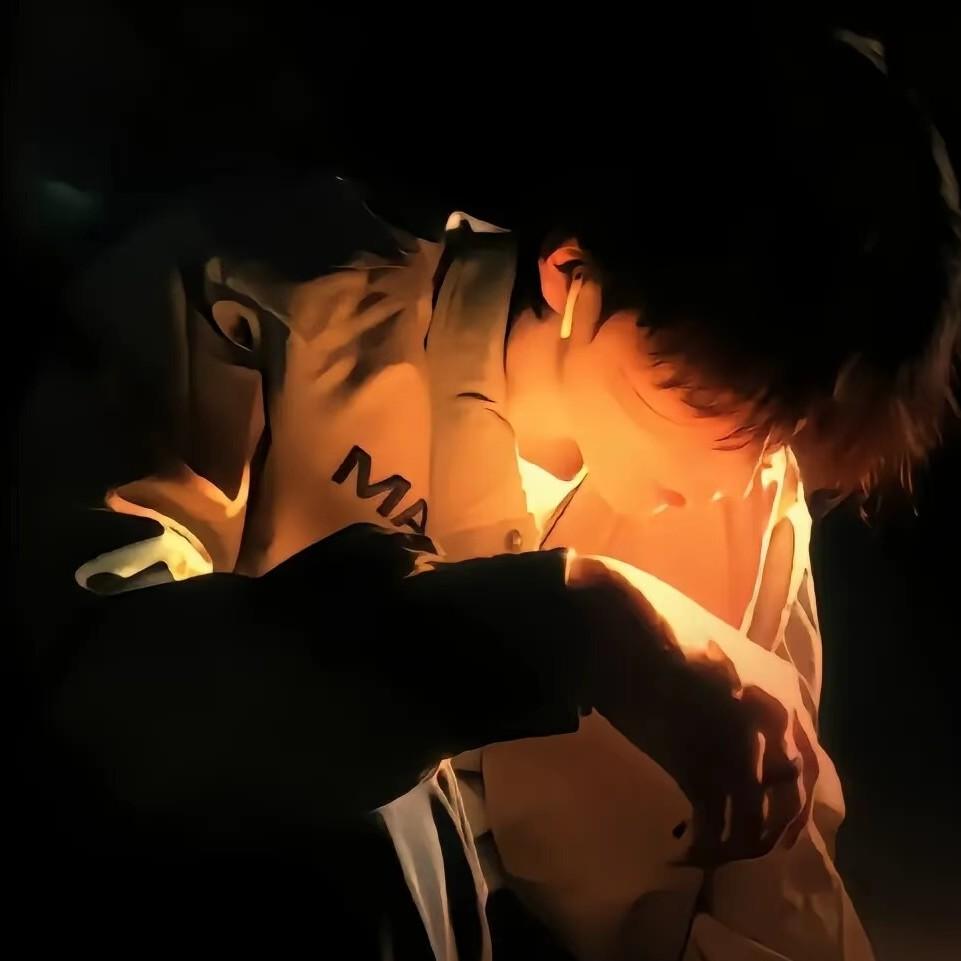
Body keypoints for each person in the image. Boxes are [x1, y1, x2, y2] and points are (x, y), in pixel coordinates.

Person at [20, 24, 957, 961]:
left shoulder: (755, 505)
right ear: (572, 274)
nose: (727, 478)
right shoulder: (258, 310)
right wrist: (563, 618)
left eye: (777, 437)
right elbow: (100, 684)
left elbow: (773, 898)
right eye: (694, 402)